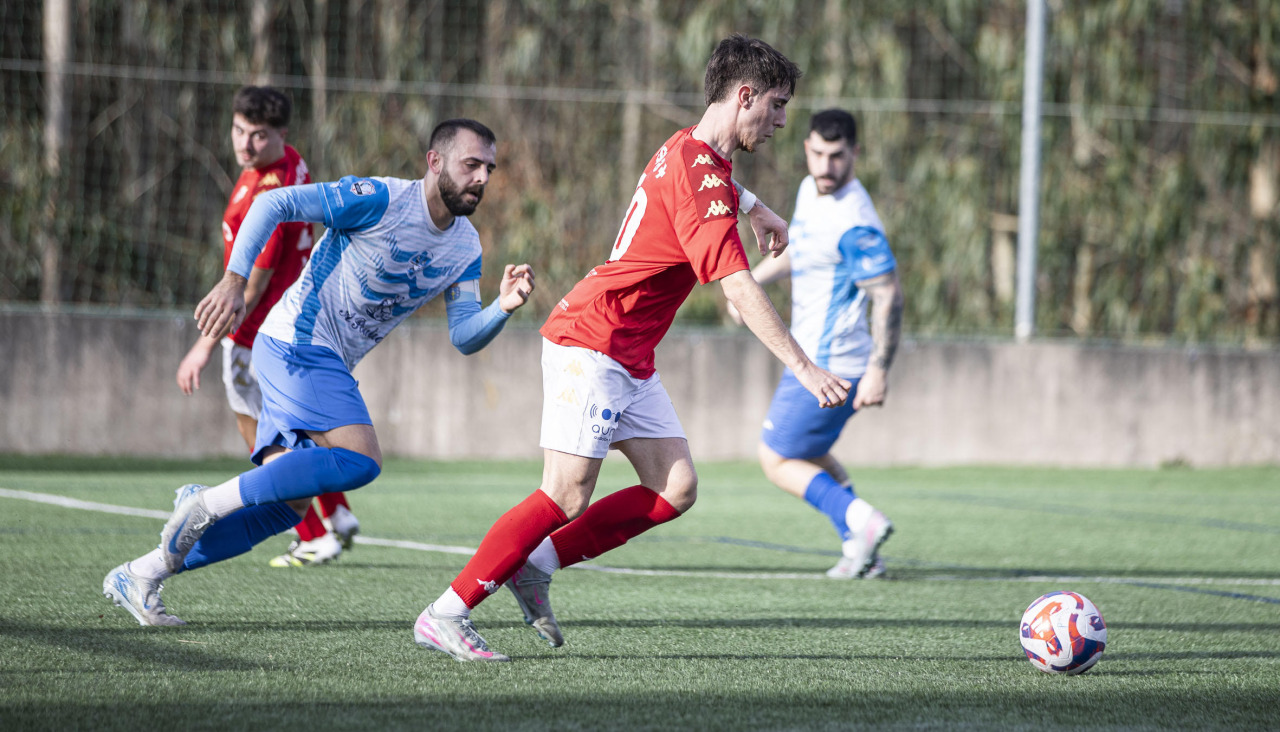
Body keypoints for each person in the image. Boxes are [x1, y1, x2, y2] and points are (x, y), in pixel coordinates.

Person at [412, 35, 851, 663]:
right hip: (593, 341)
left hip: (629, 354)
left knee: (675, 487)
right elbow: (738, 289)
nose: (782, 121)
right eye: (777, 106)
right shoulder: (704, 178)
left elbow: (714, 184)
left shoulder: (689, 149)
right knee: (564, 494)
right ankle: (446, 613)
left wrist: (759, 209)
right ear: (745, 95)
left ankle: (535, 564)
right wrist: (804, 369)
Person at [103, 118, 535, 626]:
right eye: (471, 165)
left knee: (285, 509)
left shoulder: (465, 247)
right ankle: (203, 502)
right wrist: (233, 281)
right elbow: (273, 203)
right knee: (361, 459)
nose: (482, 177)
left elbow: (463, 335)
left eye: (489, 168)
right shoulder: (379, 199)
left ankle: (143, 572)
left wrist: (502, 308)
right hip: (296, 342)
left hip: (320, 360)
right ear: (434, 162)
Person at [173, 85, 360, 569]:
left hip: (258, 336)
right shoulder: (290, 163)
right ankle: (338, 515)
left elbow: (249, 288)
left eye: (258, 135)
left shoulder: (267, 194)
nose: (245, 144)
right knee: (307, 432)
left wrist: (203, 346)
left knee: (261, 437)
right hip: (300, 328)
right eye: (239, 131)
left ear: (281, 134)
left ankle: (314, 534)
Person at [726, 109, 904, 579]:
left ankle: (861, 522)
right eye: (819, 154)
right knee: (809, 451)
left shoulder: (856, 221)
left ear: (855, 154)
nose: (827, 166)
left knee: (777, 457)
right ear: (806, 148)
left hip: (830, 361)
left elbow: (888, 296)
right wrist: (748, 285)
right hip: (817, 356)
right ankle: (862, 550)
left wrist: (879, 371)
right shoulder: (811, 191)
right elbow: (803, 253)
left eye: (838, 157)